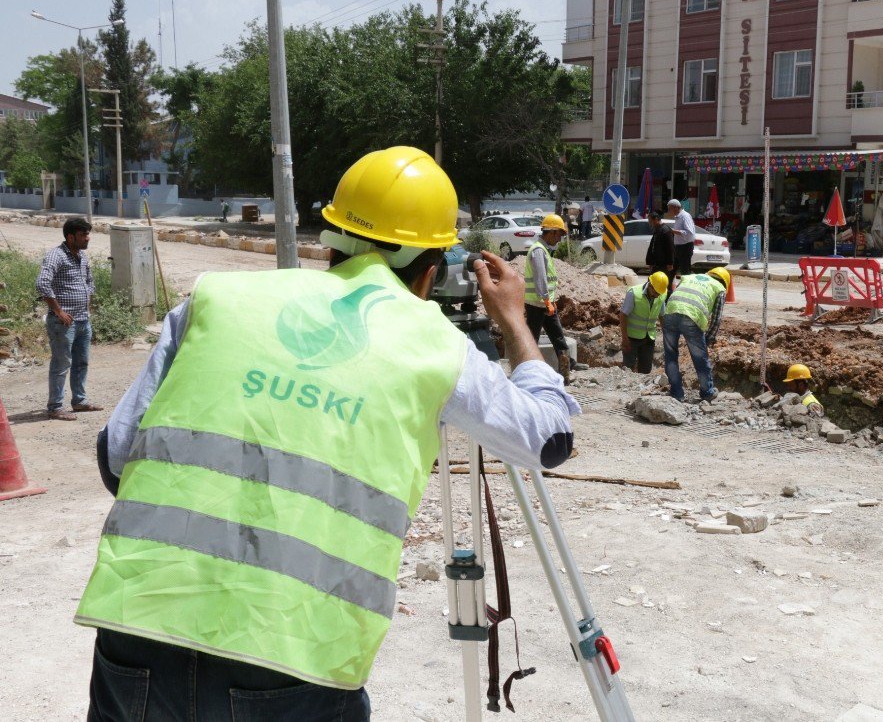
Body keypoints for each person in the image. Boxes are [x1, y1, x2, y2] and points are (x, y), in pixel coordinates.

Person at [76, 146, 579, 720]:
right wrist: (514, 319)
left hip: (136, 632)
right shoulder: (434, 346)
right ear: (430, 274)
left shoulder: (216, 298)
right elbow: (550, 439)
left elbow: (117, 459)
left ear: (330, 242)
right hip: (291, 657)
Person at [35, 218, 102, 421]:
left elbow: (89, 282)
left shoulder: (82, 257)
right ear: (70, 236)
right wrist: (58, 311)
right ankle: (55, 407)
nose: (87, 238)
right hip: (63, 323)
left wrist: (87, 306)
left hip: (83, 320)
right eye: (83, 235)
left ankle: (79, 401)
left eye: (88, 234)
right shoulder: (56, 256)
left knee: (81, 363)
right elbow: (42, 283)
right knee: (62, 364)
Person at [661, 267, 730, 403]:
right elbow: (716, 319)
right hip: (691, 317)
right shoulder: (719, 288)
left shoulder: (689, 277)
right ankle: (707, 392)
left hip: (670, 312)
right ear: (724, 282)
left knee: (670, 355)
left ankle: (676, 392)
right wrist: (708, 338)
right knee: (700, 358)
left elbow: (678, 295)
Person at [524, 213, 572, 384]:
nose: (559, 239)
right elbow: (540, 278)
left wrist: (548, 302)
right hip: (537, 305)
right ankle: (527, 374)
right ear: (550, 232)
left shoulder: (544, 250)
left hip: (546, 304)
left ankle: (565, 372)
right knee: (531, 340)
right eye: (558, 234)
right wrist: (546, 301)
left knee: (558, 337)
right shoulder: (538, 251)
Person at [619, 271, 669, 374]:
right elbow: (623, 315)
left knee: (645, 370)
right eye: (655, 292)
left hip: (649, 338)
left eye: (659, 293)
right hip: (631, 338)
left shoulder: (661, 294)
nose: (657, 295)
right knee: (628, 369)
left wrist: (667, 337)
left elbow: (662, 316)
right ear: (650, 284)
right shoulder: (633, 293)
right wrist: (624, 338)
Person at [644, 210, 675, 289]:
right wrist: (650, 262)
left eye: (651, 221)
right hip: (656, 263)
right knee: (652, 283)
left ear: (656, 219)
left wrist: (670, 263)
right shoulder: (656, 230)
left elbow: (670, 248)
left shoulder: (666, 230)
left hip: (664, 264)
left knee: (664, 284)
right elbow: (653, 246)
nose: (650, 224)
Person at [666, 198, 697, 276]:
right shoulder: (678, 217)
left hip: (685, 247)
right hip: (678, 247)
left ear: (676, 207)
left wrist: (673, 231)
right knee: (672, 269)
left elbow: (689, 233)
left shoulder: (684, 216)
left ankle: (687, 287)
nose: (669, 211)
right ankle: (669, 287)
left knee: (685, 270)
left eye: (670, 209)